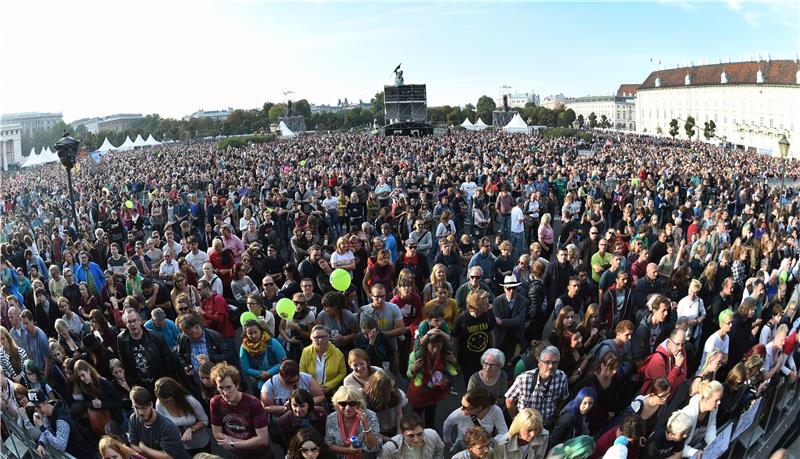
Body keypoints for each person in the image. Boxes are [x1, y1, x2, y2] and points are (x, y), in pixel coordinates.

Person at [210, 362, 273, 458]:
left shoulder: (254, 403)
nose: (225, 392)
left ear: (237, 385)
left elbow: (263, 440)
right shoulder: (215, 402)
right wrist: (249, 442)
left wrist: (232, 444)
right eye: (221, 388)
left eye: (228, 387)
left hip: (258, 455)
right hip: (234, 455)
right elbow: (217, 434)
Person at [506, 345, 570, 429]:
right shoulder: (524, 379)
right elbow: (509, 400)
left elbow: (563, 398)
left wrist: (555, 415)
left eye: (555, 362)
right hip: (525, 425)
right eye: (547, 362)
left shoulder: (561, 377)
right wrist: (515, 419)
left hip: (546, 425)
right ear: (539, 363)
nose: (551, 366)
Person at [27, 388, 97, 458]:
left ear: (45, 402)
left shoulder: (61, 419)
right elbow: (48, 428)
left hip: (85, 454)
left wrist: (41, 427)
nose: (38, 410)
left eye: (39, 407)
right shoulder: (49, 411)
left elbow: (60, 445)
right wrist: (41, 443)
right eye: (35, 408)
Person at [117, 307, 172, 391]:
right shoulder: (122, 339)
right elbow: (124, 362)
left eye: (134, 320)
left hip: (159, 381)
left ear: (140, 320)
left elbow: (168, 360)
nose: (132, 324)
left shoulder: (156, 337)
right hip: (140, 385)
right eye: (129, 322)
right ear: (125, 323)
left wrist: (168, 381)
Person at [128, 385, 191, 459]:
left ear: (151, 404)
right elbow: (133, 445)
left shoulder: (167, 426)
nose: (140, 412)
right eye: (135, 408)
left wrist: (143, 448)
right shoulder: (133, 419)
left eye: (143, 407)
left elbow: (168, 456)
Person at [154, 376, 211, 455]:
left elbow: (205, 420)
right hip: (180, 447)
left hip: (201, 444)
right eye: (164, 401)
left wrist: (191, 429)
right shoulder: (159, 404)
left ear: (177, 395)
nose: (167, 404)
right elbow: (162, 425)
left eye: (170, 401)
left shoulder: (190, 401)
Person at [443, 387, 508, 452]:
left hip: (486, 450)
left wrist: (489, 444)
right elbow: (447, 424)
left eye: (465, 407)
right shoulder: (459, 414)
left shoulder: (495, 411)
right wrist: (447, 441)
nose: (461, 409)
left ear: (479, 408)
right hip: (466, 449)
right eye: (461, 405)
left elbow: (503, 432)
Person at [325, 385, 382, 459]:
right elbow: (329, 445)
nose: (347, 408)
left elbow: (372, 446)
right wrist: (348, 450)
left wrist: (365, 425)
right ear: (337, 404)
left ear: (359, 403)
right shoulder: (332, 418)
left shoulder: (370, 416)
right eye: (343, 403)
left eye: (352, 404)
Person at [73, 359, 126, 432]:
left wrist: (102, 405)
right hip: (105, 425)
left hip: (119, 421)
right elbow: (85, 403)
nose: (82, 379)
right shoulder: (84, 387)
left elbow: (119, 403)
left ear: (89, 371)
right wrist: (94, 405)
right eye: (79, 377)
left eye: (83, 375)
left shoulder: (104, 383)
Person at [261, 360, 326, 417]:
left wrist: (304, 403)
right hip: (281, 421)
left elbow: (320, 396)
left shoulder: (306, 378)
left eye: (296, 380)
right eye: (289, 382)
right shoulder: (269, 385)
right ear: (280, 376)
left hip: (307, 416)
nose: (293, 384)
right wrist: (285, 408)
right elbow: (266, 407)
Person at [678, 380, 722, 458]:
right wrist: (694, 452)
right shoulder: (688, 414)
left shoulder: (714, 408)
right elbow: (676, 444)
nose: (719, 403)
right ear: (706, 399)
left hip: (696, 449)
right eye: (716, 400)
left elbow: (711, 425)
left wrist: (713, 444)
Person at [300, 324, 347, 395]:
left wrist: (328, 386)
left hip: (331, 392)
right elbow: (302, 371)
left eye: (323, 337)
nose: (320, 340)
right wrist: (314, 387)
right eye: (316, 337)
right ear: (311, 338)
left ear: (328, 337)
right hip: (310, 391)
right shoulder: (306, 351)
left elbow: (342, 372)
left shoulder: (338, 353)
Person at [240, 318, 286, 390]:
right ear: (246, 334)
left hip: (276, 379)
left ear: (260, 331)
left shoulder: (272, 342)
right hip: (257, 381)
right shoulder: (244, 347)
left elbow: (283, 362)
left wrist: (269, 373)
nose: (253, 336)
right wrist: (260, 374)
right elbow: (246, 368)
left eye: (255, 332)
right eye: (250, 334)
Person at [379, 412, 445, 459]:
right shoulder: (389, 448)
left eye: (420, 434)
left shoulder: (432, 435)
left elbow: (439, 449)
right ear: (402, 434)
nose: (416, 439)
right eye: (411, 436)